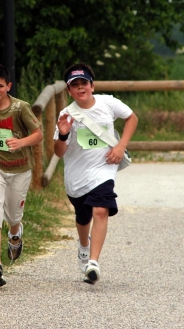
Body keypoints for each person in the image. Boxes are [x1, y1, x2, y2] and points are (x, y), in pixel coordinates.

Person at [54, 62, 138, 285]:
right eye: (75, 85)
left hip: (104, 170)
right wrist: (63, 135)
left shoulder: (108, 103)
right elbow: (59, 152)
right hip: (77, 175)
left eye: (84, 83)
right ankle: (83, 248)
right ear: (69, 90)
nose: (80, 88)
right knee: (83, 217)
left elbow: (132, 118)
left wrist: (120, 146)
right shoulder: (66, 114)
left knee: (101, 209)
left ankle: (93, 262)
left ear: (92, 85)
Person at [0, 64, 43, 288]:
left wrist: (21, 142)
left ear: (8, 86)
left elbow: (38, 134)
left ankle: (15, 234)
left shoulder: (20, 108)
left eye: (0, 86)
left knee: (13, 215)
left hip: (20, 168)